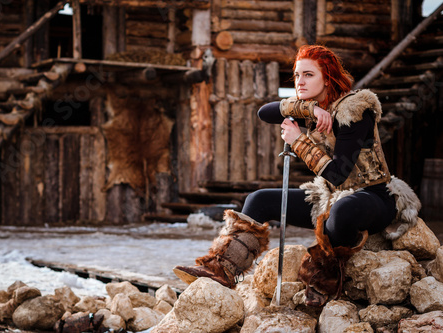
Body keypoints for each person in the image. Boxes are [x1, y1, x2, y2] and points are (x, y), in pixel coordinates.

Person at [173, 45, 420, 305]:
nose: (299, 82)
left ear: (328, 77)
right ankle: (221, 270)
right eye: (296, 75)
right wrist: (309, 110)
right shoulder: (316, 109)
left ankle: (324, 280)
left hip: (373, 196)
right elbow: (264, 112)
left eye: (309, 75)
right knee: (258, 200)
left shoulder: (355, 111)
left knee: (341, 213)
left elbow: (338, 174)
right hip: (329, 196)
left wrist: (299, 140)